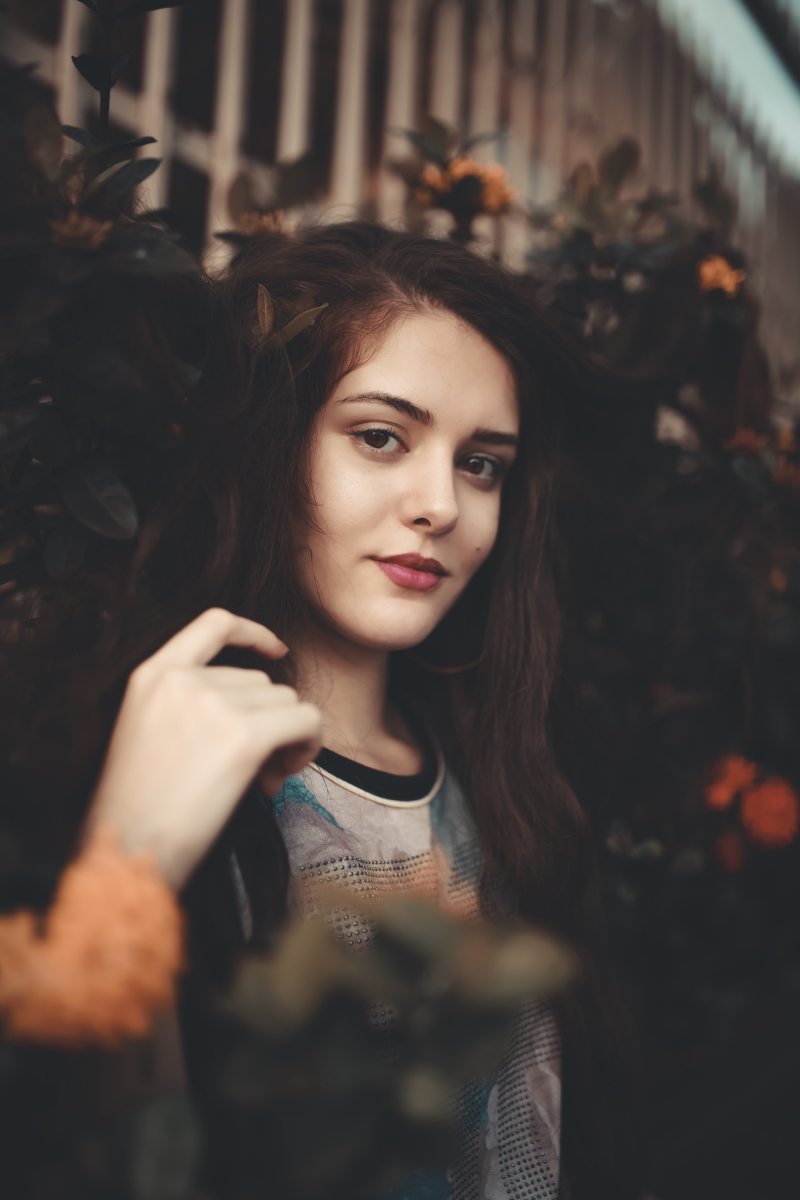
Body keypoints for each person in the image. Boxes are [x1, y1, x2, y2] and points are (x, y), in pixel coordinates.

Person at [4, 223, 637, 1199]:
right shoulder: (133, 760)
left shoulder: (502, 769)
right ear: (270, 445)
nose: (440, 504)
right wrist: (127, 860)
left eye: (482, 463)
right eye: (380, 436)